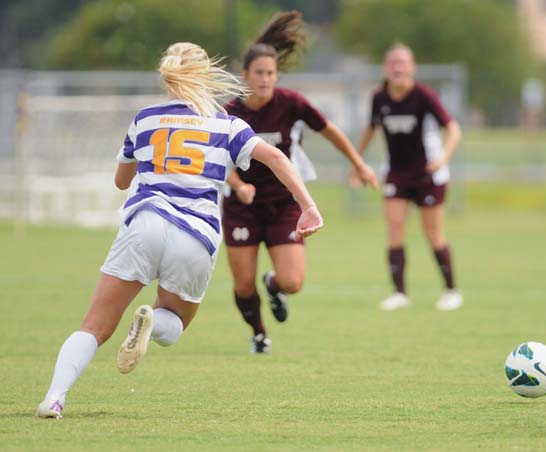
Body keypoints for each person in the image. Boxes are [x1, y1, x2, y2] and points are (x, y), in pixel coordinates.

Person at [35, 42, 323, 419]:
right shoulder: (226, 122)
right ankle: (151, 323)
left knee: (94, 327)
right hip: (196, 235)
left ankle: (54, 398)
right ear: (204, 76)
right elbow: (275, 156)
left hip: (145, 224)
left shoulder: (145, 118)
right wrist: (308, 205)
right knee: (175, 323)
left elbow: (122, 181)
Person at [222, 11, 378, 353]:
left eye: (271, 73)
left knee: (293, 281)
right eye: (259, 73)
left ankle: (273, 286)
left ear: (277, 76)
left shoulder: (290, 104)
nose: (265, 79)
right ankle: (259, 334)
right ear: (245, 74)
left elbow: (331, 132)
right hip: (242, 207)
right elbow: (219, 159)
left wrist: (360, 164)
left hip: (282, 204)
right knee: (243, 284)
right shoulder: (229, 112)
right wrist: (237, 185)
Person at [353, 43, 463, 311]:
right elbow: (370, 129)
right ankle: (400, 293)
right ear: (385, 67)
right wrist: (357, 163)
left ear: (412, 67)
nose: (397, 67)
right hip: (397, 174)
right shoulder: (379, 98)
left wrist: (443, 159)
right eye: (392, 62)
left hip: (428, 173)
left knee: (432, 232)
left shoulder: (424, 96)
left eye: (403, 62)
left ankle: (451, 291)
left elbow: (453, 129)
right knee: (394, 230)